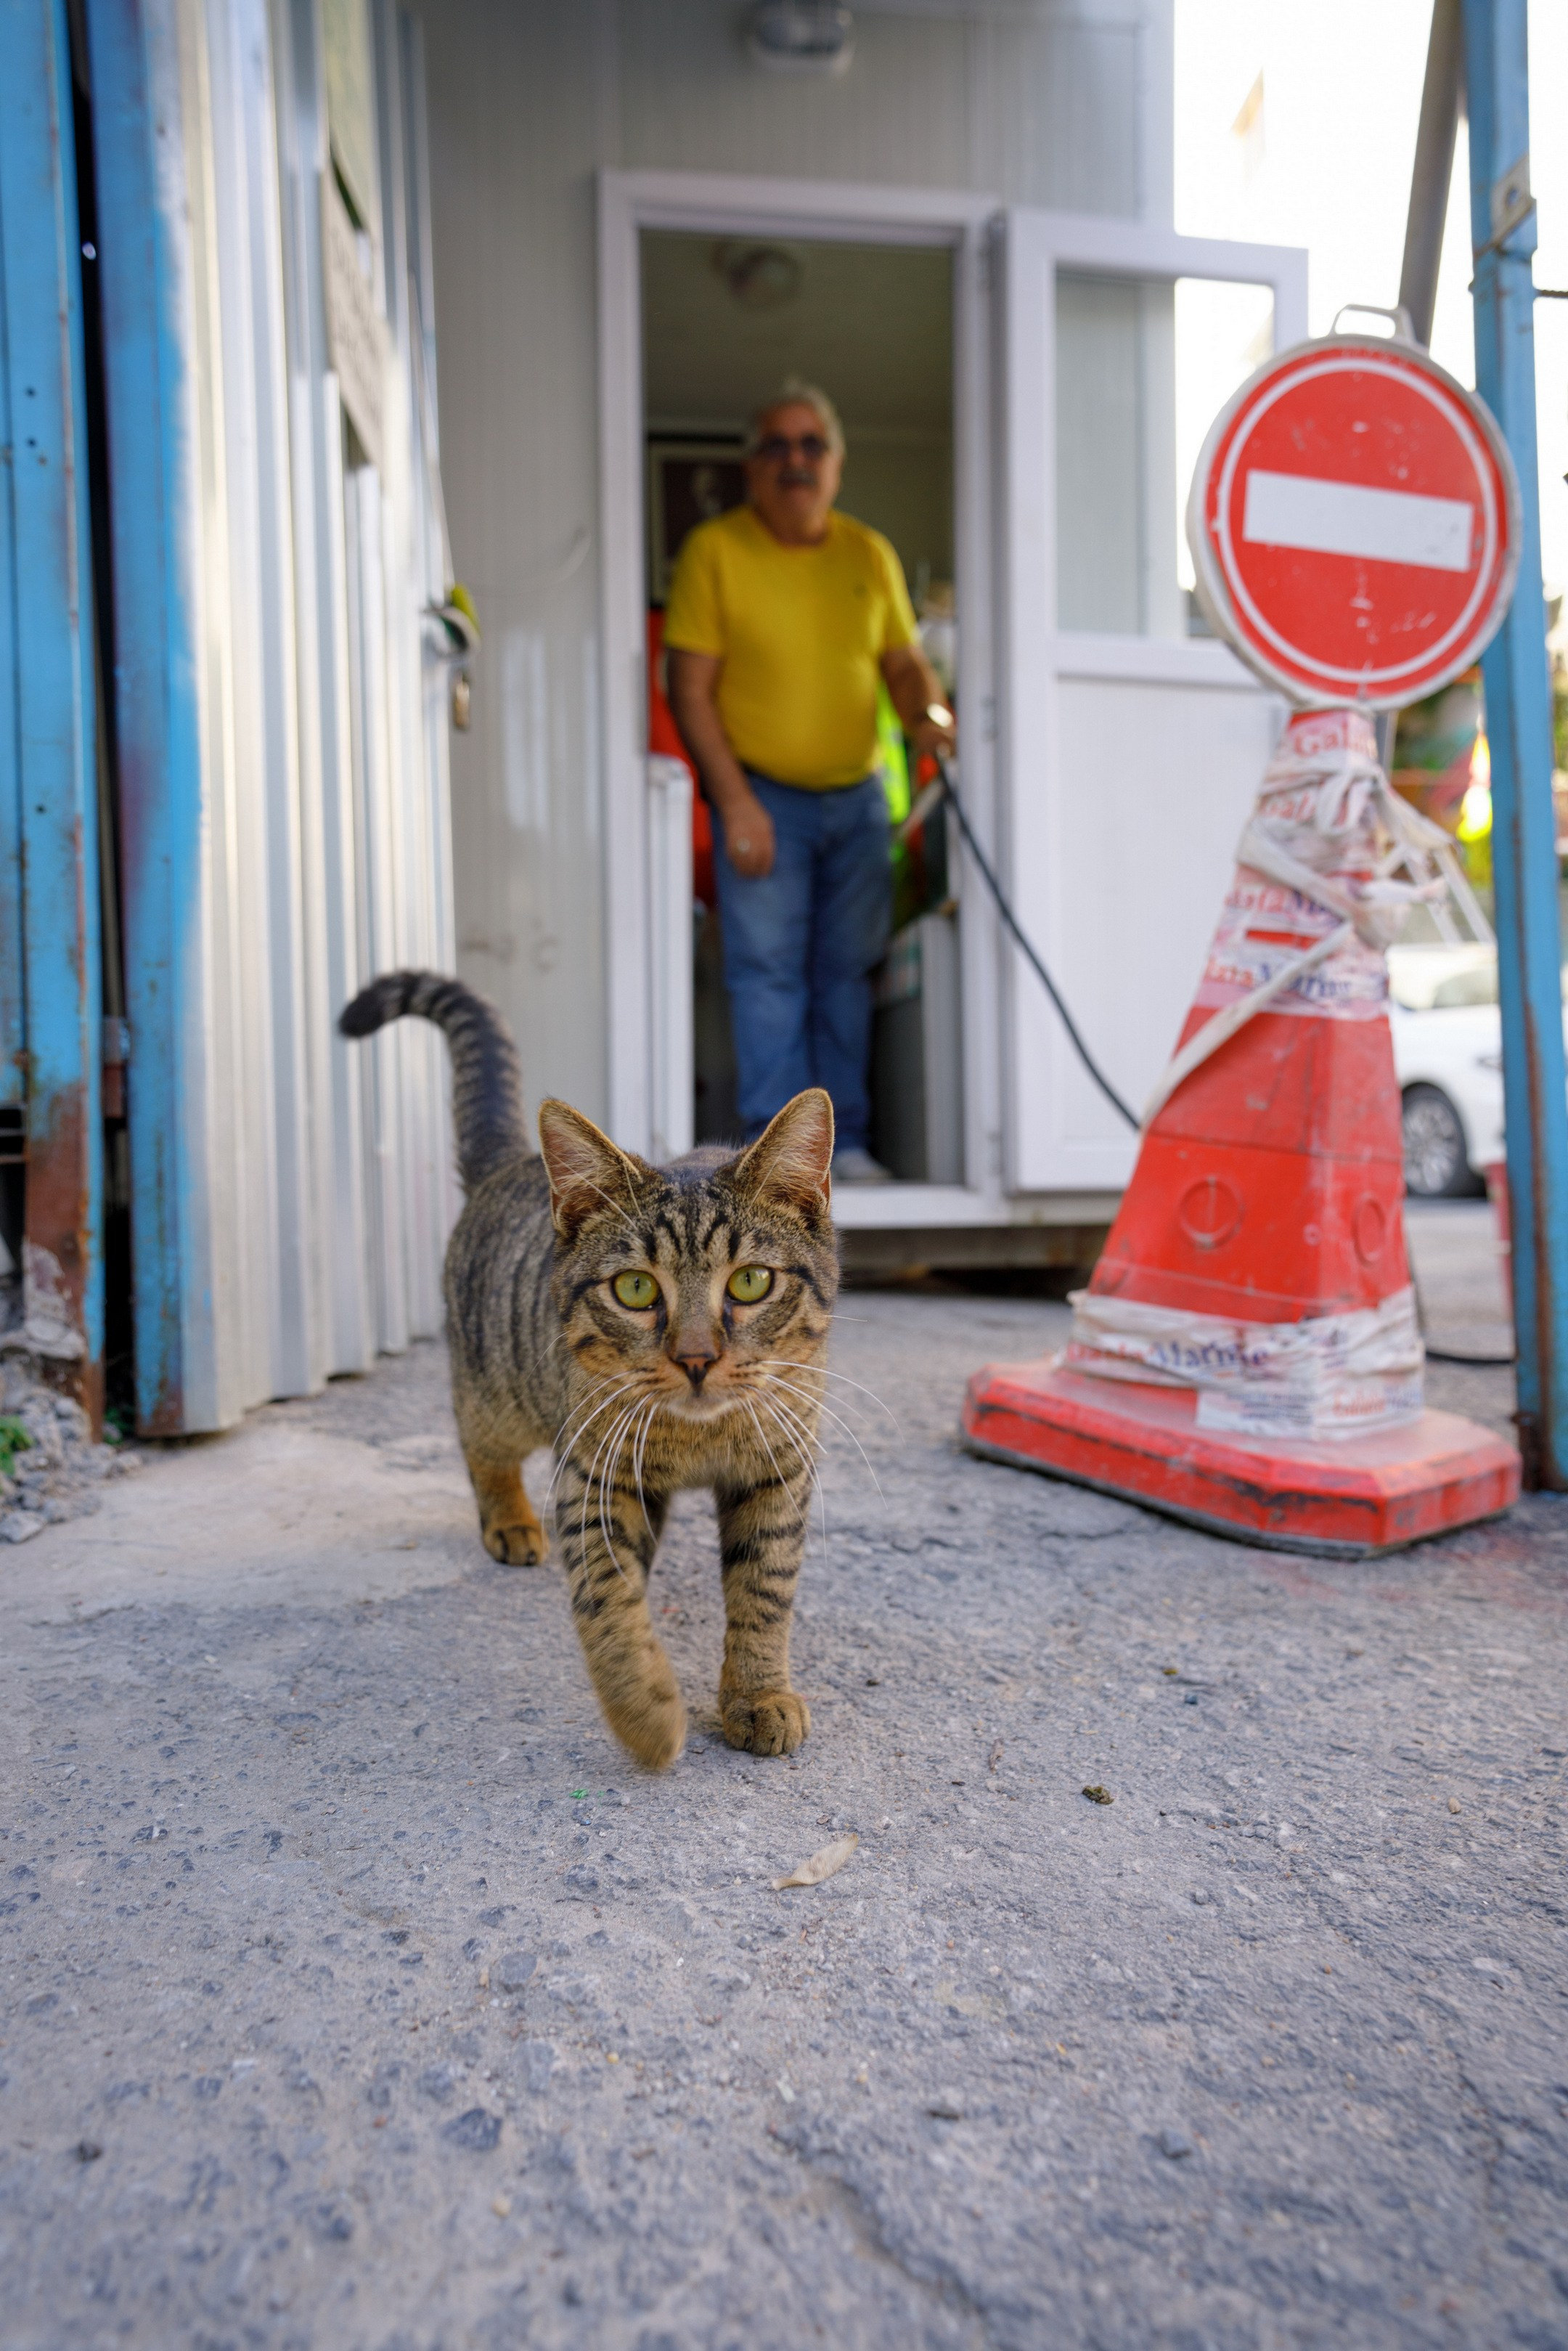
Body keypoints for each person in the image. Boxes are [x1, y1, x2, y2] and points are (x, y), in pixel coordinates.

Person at [664, 380, 955, 1183]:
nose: (796, 461)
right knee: (766, 974)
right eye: (777, 446)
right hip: (762, 798)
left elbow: (904, 664)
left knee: (845, 975)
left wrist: (928, 712)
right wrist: (734, 800)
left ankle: (843, 1147)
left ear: (835, 464)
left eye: (811, 445)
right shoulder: (717, 552)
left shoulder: (869, 553)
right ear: (752, 469)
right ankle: (764, 1158)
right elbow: (688, 687)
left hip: (858, 798)